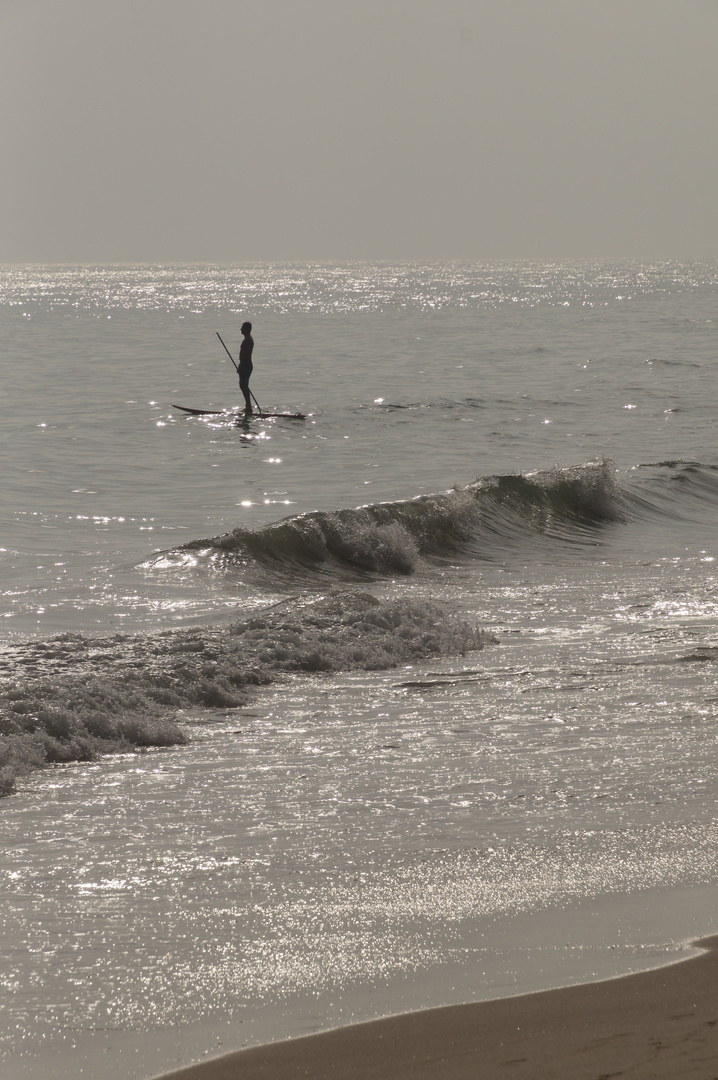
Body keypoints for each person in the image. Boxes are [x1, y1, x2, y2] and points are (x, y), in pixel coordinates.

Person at [238, 321, 254, 414]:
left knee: (244, 386)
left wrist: (241, 366)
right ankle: (248, 406)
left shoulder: (248, 340)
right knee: (243, 385)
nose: (241, 329)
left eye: (242, 327)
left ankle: (248, 407)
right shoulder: (247, 339)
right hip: (245, 365)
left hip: (246, 365)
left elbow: (246, 355)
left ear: (247, 329)